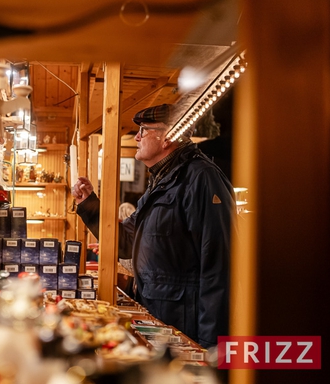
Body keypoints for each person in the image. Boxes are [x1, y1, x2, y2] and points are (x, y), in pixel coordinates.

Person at [72, 103, 235, 349]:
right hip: (159, 319)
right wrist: (89, 205)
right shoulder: (162, 180)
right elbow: (127, 242)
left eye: (143, 130)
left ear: (167, 136)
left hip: (184, 327)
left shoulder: (201, 178)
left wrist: (211, 346)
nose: (136, 137)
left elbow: (218, 268)